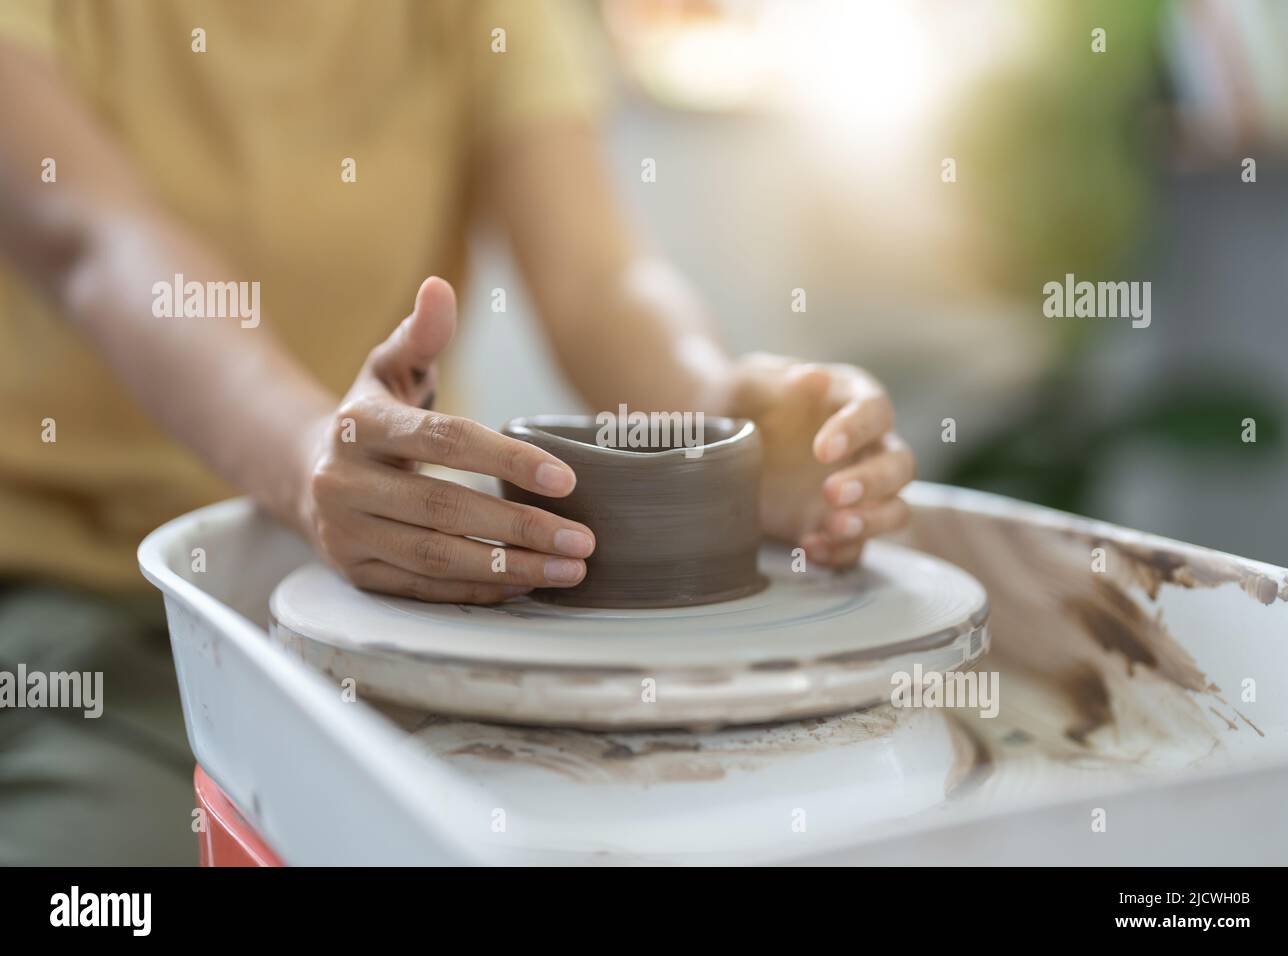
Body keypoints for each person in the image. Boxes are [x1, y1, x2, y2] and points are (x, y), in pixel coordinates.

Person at [0, 0, 914, 864]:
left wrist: (720, 416)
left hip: (405, 593)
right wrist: (303, 454)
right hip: (75, 595)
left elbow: (597, 278)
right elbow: (95, 241)